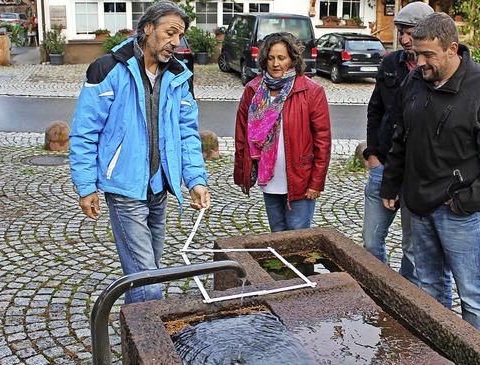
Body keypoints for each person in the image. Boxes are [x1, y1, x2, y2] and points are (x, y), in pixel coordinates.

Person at [380, 12, 480, 339]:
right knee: (430, 287)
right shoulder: (415, 82)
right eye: (416, 54)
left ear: (452, 49)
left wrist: (467, 203)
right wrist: (391, 182)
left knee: (473, 295)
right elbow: (402, 136)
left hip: (461, 213)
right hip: (419, 204)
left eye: (429, 55)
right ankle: (441, 351)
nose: (420, 62)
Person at [69, 1, 210, 304]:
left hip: (158, 187)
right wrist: (85, 185)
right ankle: (153, 345)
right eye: (170, 33)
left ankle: (137, 338)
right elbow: (84, 131)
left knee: (147, 271)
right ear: (148, 29)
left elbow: (187, 133)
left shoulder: (179, 76)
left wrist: (196, 180)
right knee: (148, 278)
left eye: (180, 35)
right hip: (123, 188)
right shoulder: (107, 69)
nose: (176, 42)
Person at [363, 1, 433, 285]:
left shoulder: (434, 69)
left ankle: (406, 298)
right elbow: (375, 108)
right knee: (370, 242)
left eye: (410, 32)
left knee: (413, 252)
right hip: (383, 164)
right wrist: (371, 155)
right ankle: (380, 289)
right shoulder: (391, 63)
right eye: (401, 32)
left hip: (415, 174)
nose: (404, 39)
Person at [234, 32, 331, 232]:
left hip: (299, 179)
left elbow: (323, 140)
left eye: (281, 58)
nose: (275, 63)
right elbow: (242, 136)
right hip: (269, 178)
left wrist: (316, 182)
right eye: (271, 58)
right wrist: (242, 173)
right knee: (276, 236)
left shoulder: (311, 91)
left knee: (298, 239)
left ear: (292, 59)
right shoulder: (253, 90)